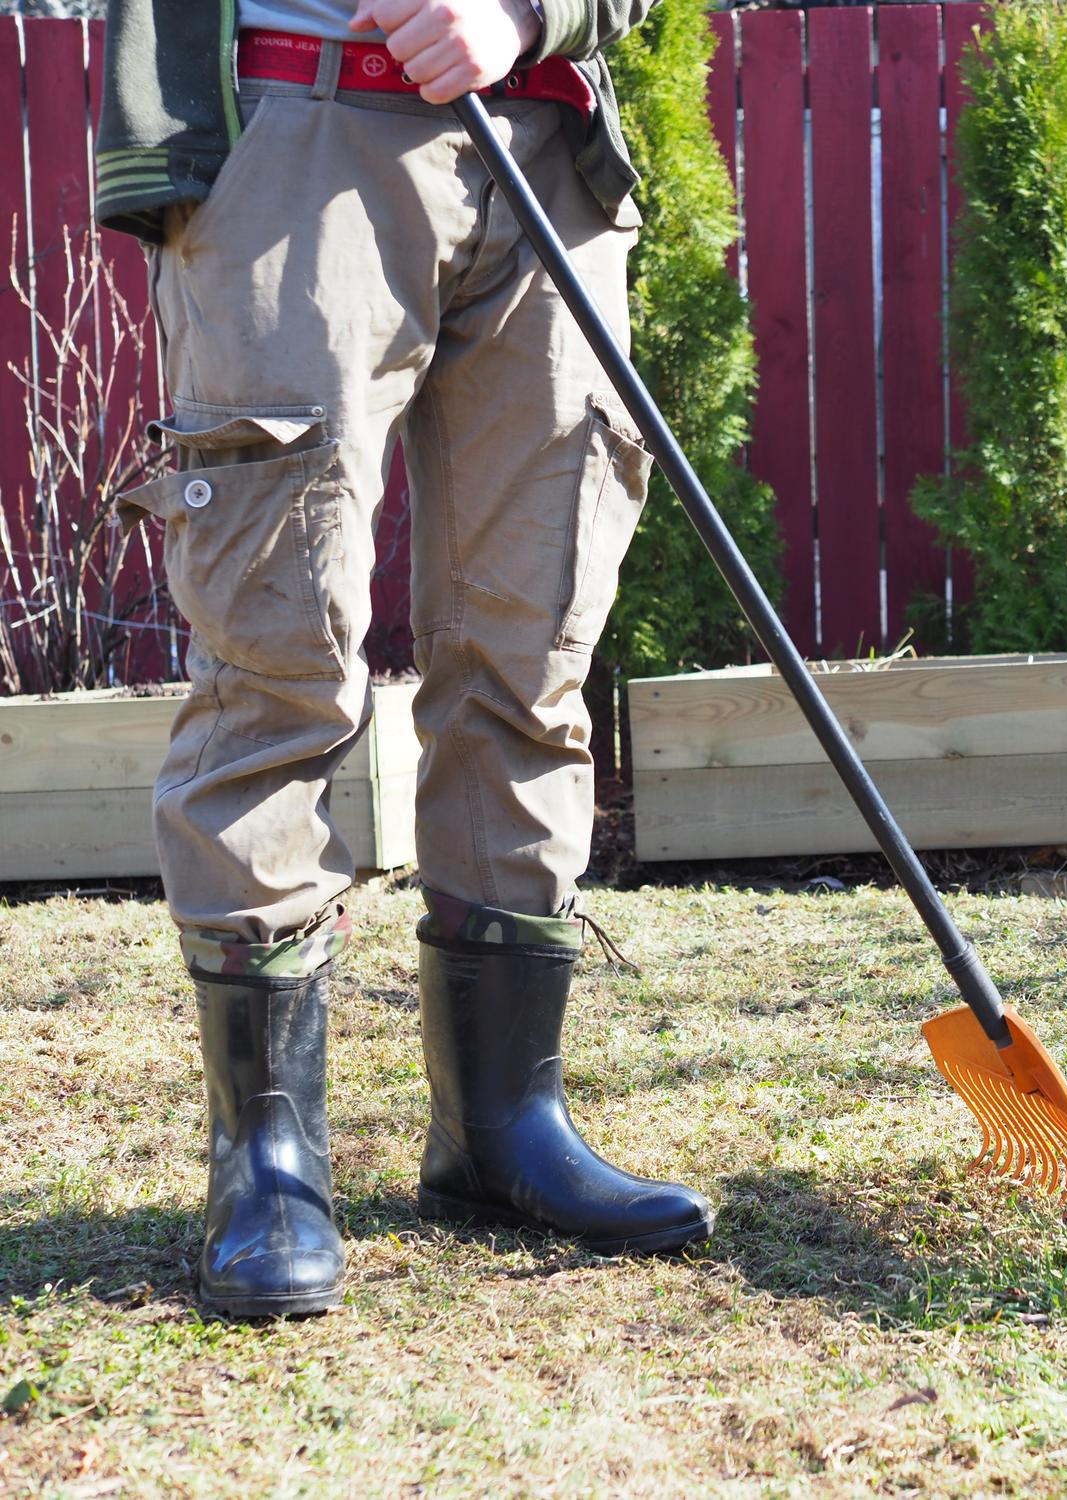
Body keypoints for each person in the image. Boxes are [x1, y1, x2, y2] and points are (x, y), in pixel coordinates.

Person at [94, 0, 712, 1319]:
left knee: (529, 652)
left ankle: (504, 1130)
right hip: (300, 129)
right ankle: (267, 1160)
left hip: (545, 145)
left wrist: (527, 14)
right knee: (276, 657)